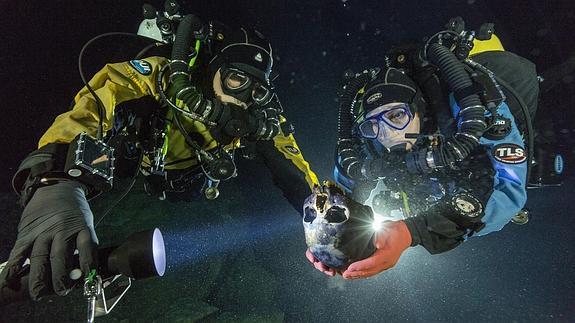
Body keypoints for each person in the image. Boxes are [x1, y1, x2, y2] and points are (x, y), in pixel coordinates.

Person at [0, 12, 319, 301]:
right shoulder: (166, 75)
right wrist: (53, 176)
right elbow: (103, 94)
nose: (243, 98)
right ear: (214, 69)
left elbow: (293, 163)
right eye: (236, 79)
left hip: (191, 181)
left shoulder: (257, 117)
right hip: (141, 161)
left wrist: (331, 214)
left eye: (257, 91)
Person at [306, 27, 537, 279]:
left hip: (479, 152)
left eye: (397, 116)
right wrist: (326, 237)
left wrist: (413, 231)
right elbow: (343, 189)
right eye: (374, 124)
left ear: (418, 108)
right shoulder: (372, 136)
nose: (388, 132)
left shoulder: (470, 108)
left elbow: (509, 191)